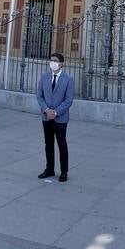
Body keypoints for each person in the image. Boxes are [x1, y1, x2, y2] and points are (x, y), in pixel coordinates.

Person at [36, 52, 74, 183]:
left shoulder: (68, 79)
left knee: (62, 144)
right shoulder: (44, 77)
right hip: (46, 117)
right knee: (48, 144)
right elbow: (39, 95)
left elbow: (69, 100)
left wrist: (56, 112)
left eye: (55, 61)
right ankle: (49, 169)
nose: (52, 63)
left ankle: (64, 171)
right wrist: (46, 110)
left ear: (61, 64)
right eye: (51, 60)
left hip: (60, 118)